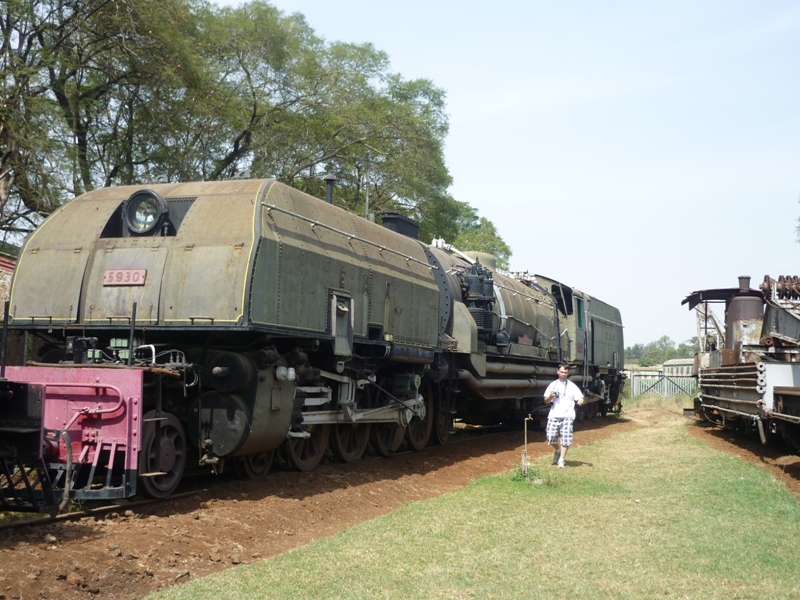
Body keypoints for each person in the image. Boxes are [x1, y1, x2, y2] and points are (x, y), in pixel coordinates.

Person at [543, 363, 584, 468]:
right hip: (554, 415)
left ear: (568, 373)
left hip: (568, 415)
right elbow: (545, 401)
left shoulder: (572, 386)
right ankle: (558, 450)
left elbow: (580, 397)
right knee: (550, 437)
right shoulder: (553, 385)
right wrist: (550, 397)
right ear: (557, 372)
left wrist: (580, 400)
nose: (563, 374)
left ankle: (561, 459)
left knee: (565, 438)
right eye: (561, 372)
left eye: (565, 372)